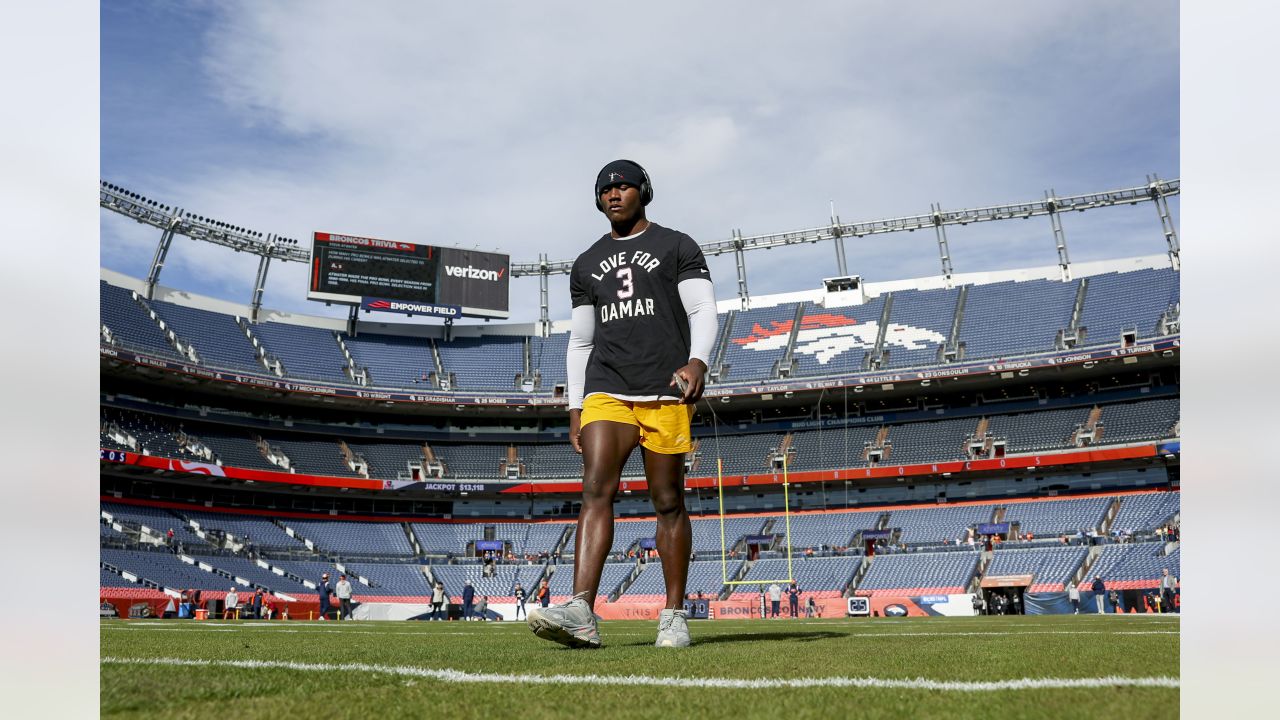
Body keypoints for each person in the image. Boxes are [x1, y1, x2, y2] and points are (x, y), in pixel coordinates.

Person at [527, 159, 716, 651]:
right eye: (605, 188)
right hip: (606, 388)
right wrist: (575, 407)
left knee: (668, 499)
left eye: (623, 185)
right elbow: (581, 340)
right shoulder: (586, 263)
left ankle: (674, 615)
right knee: (595, 488)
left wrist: (697, 361)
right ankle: (582, 609)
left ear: (644, 191)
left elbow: (702, 308)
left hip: (663, 388)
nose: (613, 193)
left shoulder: (677, 244)